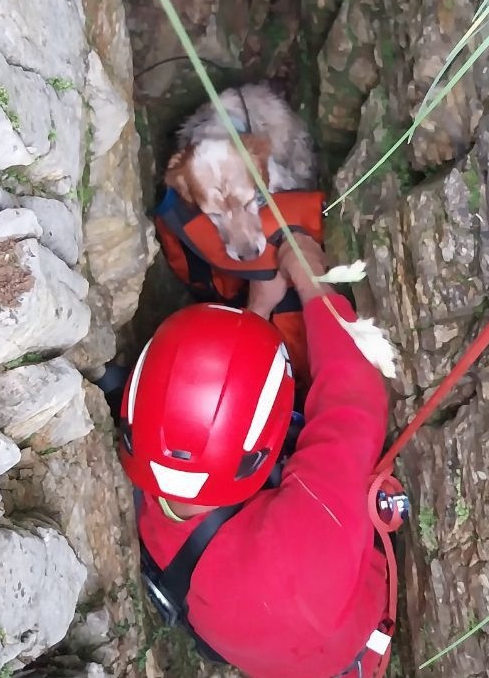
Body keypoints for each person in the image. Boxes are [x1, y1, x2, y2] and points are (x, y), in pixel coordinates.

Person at [116, 234, 394, 677]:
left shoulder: (150, 493)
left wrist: (257, 311)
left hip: (251, 633)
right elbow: (352, 405)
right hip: (340, 631)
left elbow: (207, 421)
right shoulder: (303, 536)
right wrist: (312, 283)